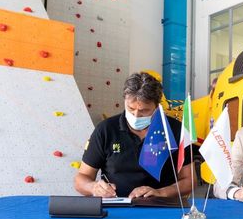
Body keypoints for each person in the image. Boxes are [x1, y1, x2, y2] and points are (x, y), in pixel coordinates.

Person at [74, 71, 193, 199]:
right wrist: (93, 187)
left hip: (161, 204)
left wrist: (161, 193)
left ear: (157, 107)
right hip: (116, 204)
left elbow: (190, 180)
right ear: (125, 101)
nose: (136, 115)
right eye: (131, 108)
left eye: (144, 111)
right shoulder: (106, 130)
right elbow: (81, 179)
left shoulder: (175, 130)